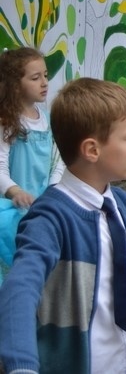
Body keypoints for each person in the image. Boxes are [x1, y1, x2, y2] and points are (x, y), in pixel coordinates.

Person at [0, 78, 126, 373]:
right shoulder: (50, 218)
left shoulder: (123, 204)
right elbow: (19, 292)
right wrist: (22, 365)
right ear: (92, 150)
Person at [0, 47, 64, 283]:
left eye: (45, 75)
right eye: (35, 78)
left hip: (41, 205)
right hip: (12, 210)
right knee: (16, 268)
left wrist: (54, 188)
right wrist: (15, 191)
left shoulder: (45, 116)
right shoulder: (8, 120)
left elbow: (58, 158)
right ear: (15, 85)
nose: (44, 83)